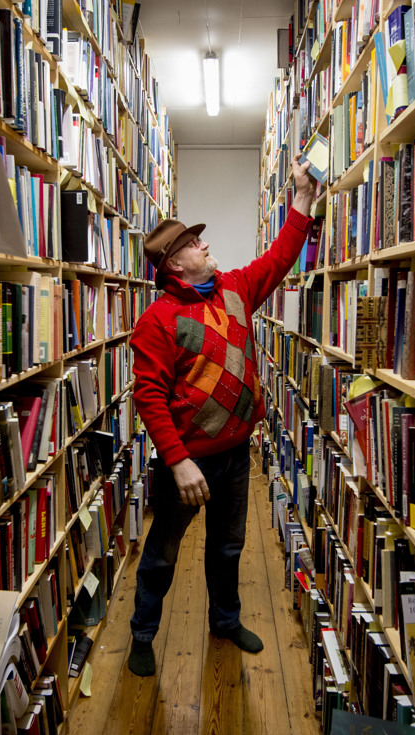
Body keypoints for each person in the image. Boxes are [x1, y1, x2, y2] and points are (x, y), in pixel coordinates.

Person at [126, 154, 319, 676]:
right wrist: (178, 460)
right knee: (163, 553)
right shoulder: (157, 320)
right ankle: (142, 634)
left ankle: (225, 620)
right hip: (186, 466)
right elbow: (148, 396)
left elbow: (278, 259)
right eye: (192, 243)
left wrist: (301, 200)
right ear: (173, 264)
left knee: (228, 546)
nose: (204, 245)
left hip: (235, 455)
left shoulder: (235, 288)